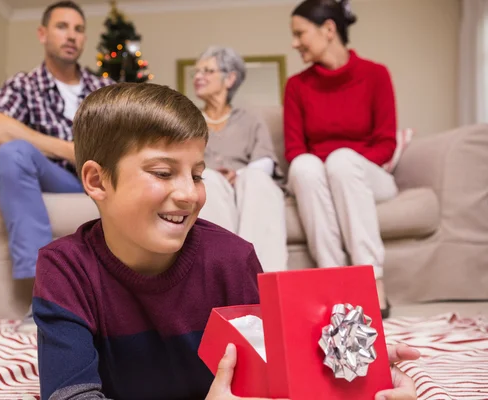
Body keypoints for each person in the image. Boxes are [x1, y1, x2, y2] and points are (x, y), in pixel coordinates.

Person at [33, 82, 420, 400]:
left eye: (197, 175)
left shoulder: (233, 259)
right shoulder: (64, 270)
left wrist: (355, 369)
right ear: (98, 181)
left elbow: (285, 362)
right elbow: (71, 395)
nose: (189, 194)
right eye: (164, 172)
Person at [0, 1, 114, 280]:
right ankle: (41, 284)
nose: (71, 35)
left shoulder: (104, 89)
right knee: (14, 153)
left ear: (84, 38)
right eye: (62, 27)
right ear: (42, 34)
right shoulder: (24, 85)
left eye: (78, 29)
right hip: (59, 177)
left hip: (101, 180)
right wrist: (68, 150)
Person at [284, 0, 398, 317]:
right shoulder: (296, 86)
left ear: (329, 29)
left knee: (342, 162)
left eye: (299, 33)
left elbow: (386, 143)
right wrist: (326, 170)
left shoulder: (376, 75)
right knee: (304, 166)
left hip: (368, 175)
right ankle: (332, 281)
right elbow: (295, 150)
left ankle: (373, 280)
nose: (294, 43)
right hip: (318, 178)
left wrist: (340, 164)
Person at [194, 46, 288, 273]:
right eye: (196, 72)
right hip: (210, 185)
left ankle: (265, 283)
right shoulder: (190, 119)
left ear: (230, 78)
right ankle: (228, 278)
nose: (198, 77)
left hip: (248, 188)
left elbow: (265, 160)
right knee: (209, 181)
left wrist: (239, 176)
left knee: (256, 179)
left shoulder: (250, 119)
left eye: (207, 71)